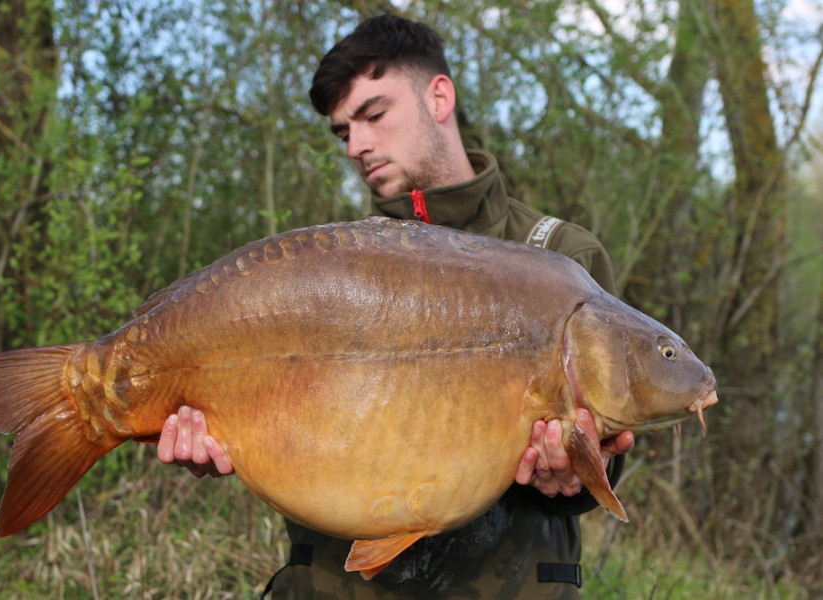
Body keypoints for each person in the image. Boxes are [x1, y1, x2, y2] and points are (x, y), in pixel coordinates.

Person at [157, 14, 634, 599]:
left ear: (439, 97)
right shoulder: (316, 273)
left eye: (373, 115)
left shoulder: (563, 257)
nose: (357, 145)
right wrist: (215, 436)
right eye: (342, 132)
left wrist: (581, 473)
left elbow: (610, 457)